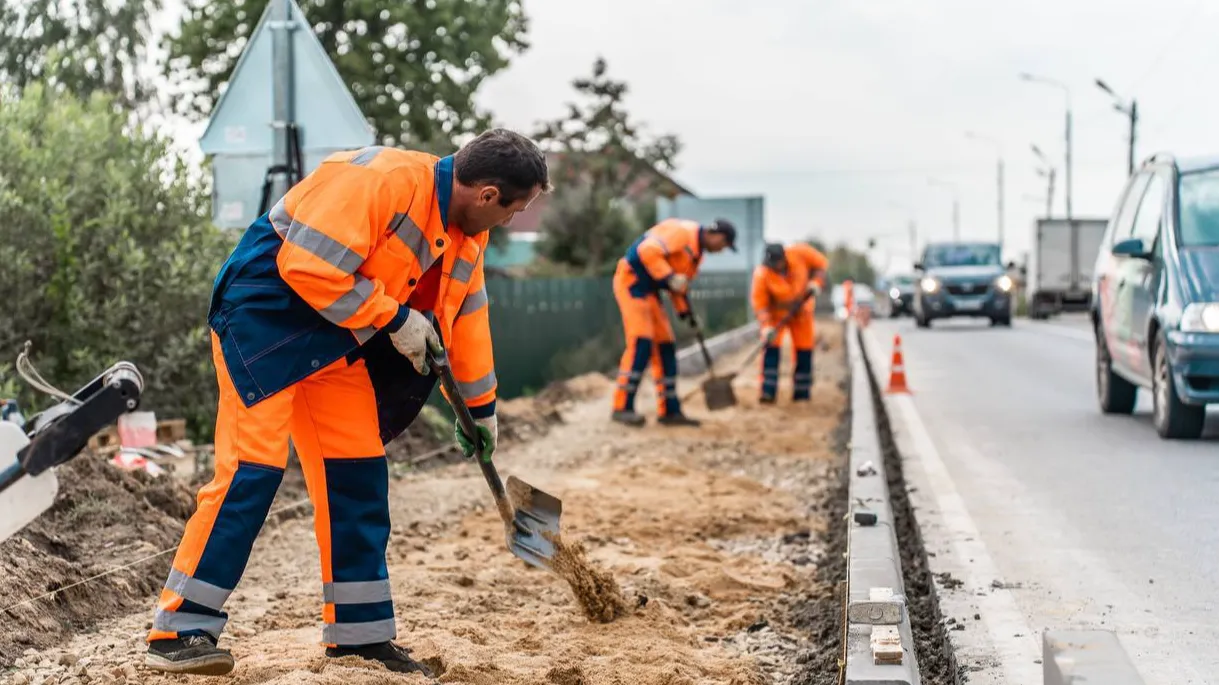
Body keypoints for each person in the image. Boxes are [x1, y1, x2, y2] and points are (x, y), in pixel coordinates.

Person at [144, 130, 550, 677]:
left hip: (338, 337)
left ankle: (360, 637)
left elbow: (467, 323)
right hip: (264, 322)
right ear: (487, 194)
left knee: (356, 475)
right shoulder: (382, 179)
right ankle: (180, 630)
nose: (508, 223)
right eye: (513, 211)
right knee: (250, 473)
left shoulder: (466, 239)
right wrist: (395, 317)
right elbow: (305, 267)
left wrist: (482, 409)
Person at [610, 218, 737, 427]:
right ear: (718, 236)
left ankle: (669, 411)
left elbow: (679, 288)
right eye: (724, 245)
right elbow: (646, 251)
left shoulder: (696, 256)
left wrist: (686, 313)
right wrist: (669, 277)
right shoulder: (681, 233)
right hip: (632, 282)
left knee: (666, 346)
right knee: (641, 341)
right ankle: (622, 407)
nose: (721, 250)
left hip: (650, 292)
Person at [751, 242, 829, 403]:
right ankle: (768, 391)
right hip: (776, 316)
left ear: (783, 258)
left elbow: (821, 265)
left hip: (801, 312)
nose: (775, 267)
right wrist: (766, 328)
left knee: (804, 349)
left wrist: (816, 282)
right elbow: (760, 305)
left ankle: (802, 392)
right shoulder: (762, 274)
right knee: (771, 348)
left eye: (777, 263)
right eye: (771, 265)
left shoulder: (800, 253)